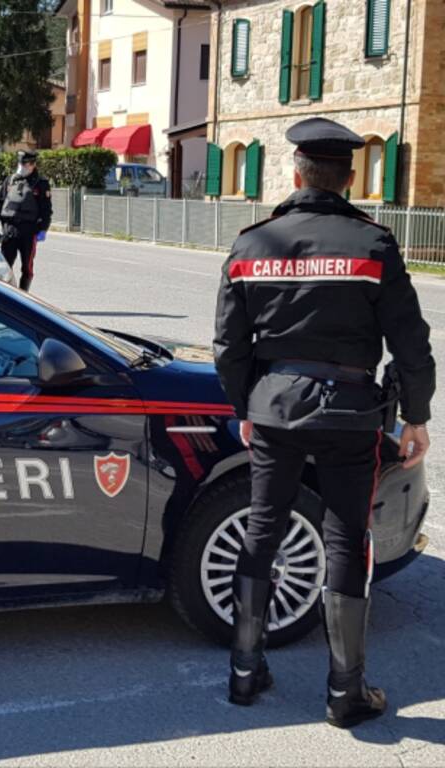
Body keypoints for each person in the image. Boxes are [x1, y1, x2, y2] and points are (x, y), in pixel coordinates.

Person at [213, 117, 435, 728]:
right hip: (350, 415)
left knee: (262, 531)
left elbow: (228, 347)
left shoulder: (252, 243)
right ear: (350, 177)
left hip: (275, 409)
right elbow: (410, 343)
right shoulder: (373, 245)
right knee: (346, 539)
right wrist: (416, 415)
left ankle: (243, 671)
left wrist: (245, 409)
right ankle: (346, 691)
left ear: (294, 173)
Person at [0, 150, 52, 291]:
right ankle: (5, 294)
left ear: (33, 165)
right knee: (5, 266)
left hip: (29, 231)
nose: (22, 166)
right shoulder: (10, 180)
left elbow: (46, 209)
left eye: (25, 163)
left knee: (27, 268)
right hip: (9, 230)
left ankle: (24, 296)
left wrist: (43, 229)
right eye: (20, 163)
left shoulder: (41, 184)